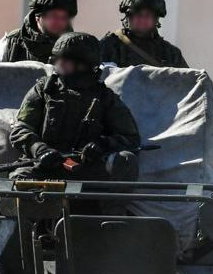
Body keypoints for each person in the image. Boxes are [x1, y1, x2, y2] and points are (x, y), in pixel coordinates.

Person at [9, 32, 141, 184]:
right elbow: (20, 129)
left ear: (82, 65)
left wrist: (103, 144)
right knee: (19, 181)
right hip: (45, 166)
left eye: (64, 60)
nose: (58, 64)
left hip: (87, 170)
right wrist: (39, 150)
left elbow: (131, 138)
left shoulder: (105, 97)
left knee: (126, 160)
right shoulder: (43, 90)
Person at [0, 0, 78, 64]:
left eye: (64, 17)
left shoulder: (76, 48)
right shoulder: (12, 44)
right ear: (38, 15)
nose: (59, 21)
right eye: (53, 16)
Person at [99, 0, 188, 68]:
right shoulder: (109, 46)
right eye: (137, 14)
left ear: (156, 18)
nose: (142, 19)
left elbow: (186, 81)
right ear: (128, 16)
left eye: (148, 15)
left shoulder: (170, 53)